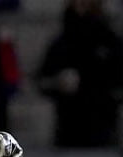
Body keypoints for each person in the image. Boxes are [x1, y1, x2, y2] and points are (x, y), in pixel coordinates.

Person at [35, 0, 123, 147]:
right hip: (68, 132)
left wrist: (103, 88)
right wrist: (58, 82)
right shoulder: (60, 44)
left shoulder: (110, 42)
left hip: (103, 132)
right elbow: (42, 81)